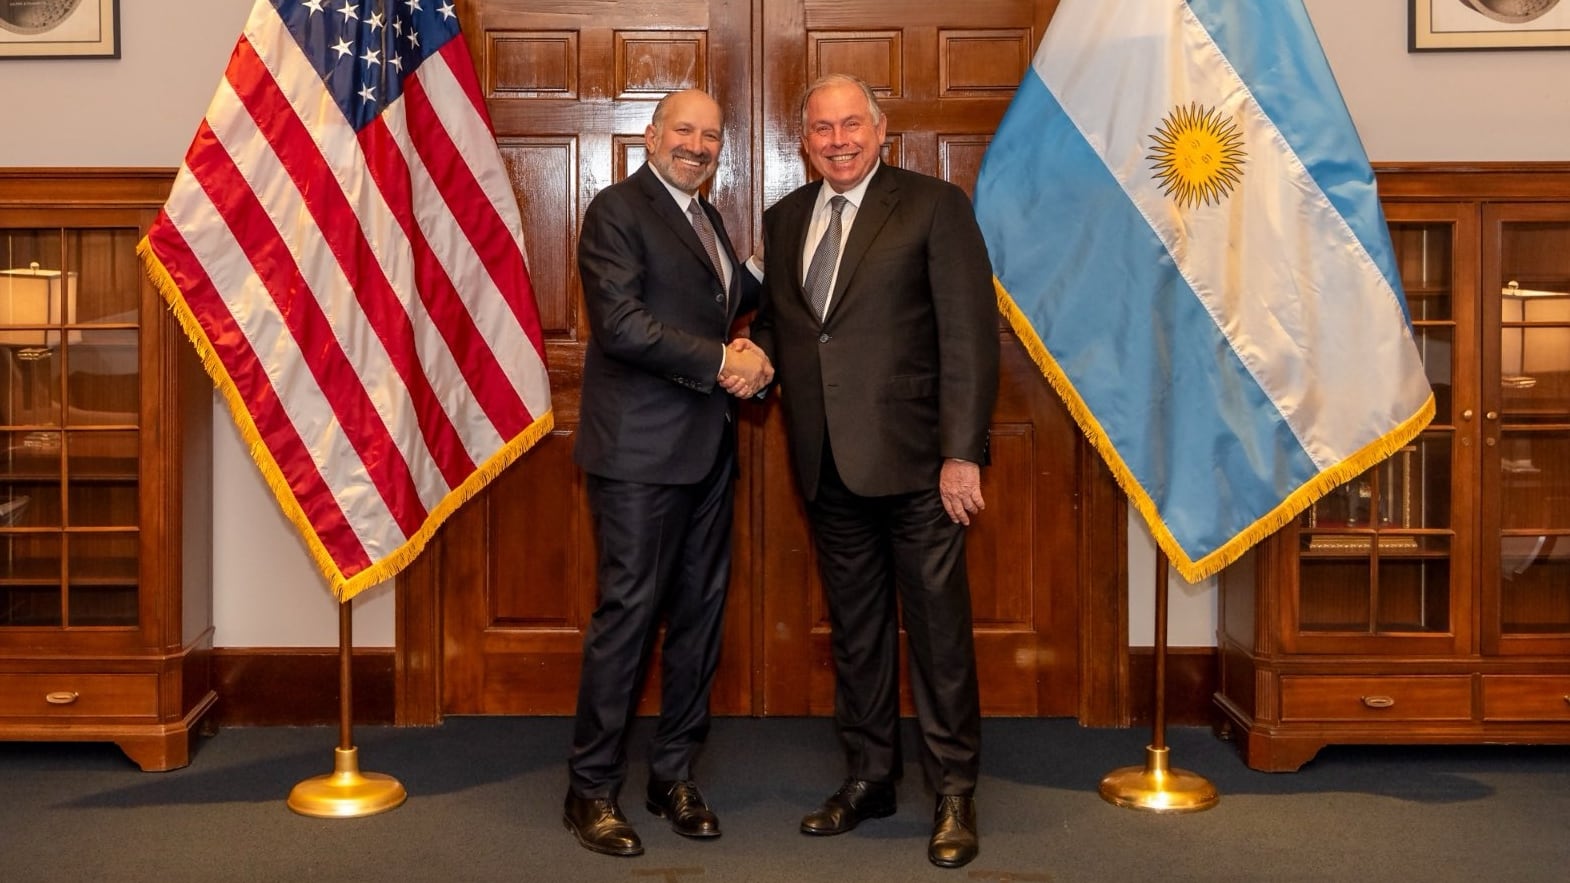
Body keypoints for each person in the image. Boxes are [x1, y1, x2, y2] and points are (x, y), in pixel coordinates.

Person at [746, 73, 999, 870]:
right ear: (805, 142)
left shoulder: (933, 206)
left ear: (881, 128)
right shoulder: (784, 219)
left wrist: (963, 452)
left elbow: (969, 335)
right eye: (822, 129)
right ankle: (869, 776)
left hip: (923, 468)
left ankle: (955, 790)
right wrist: (747, 358)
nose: (838, 140)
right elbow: (781, 327)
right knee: (856, 637)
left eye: (851, 124)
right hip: (826, 464)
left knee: (938, 635)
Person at [564, 87, 771, 858]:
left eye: (711, 135)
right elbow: (621, 325)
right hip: (639, 458)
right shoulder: (617, 211)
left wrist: (777, 256)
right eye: (683, 129)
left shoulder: (706, 217)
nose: (697, 144)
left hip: (708, 452)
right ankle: (590, 789)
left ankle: (672, 774)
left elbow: (722, 298)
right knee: (627, 619)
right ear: (651, 135)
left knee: (697, 620)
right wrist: (725, 361)